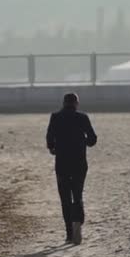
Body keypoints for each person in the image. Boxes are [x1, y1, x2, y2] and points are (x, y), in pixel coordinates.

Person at [46, 93, 97, 245]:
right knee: (78, 194)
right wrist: (84, 142)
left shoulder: (55, 117)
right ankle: (78, 221)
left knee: (65, 199)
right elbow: (93, 139)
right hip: (79, 163)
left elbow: (49, 139)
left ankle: (69, 234)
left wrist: (53, 149)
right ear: (76, 104)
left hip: (62, 164)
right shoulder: (82, 117)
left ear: (63, 103)